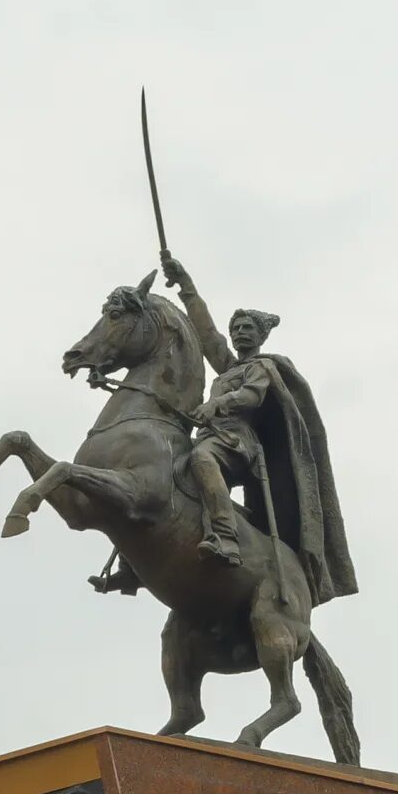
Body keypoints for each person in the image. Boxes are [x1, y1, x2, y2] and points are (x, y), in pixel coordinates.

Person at [160, 252, 358, 601]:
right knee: (163, 471)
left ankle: (224, 535)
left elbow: (250, 397)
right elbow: (206, 334)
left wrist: (216, 403)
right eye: (235, 329)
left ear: (261, 335)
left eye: (247, 328)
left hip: (240, 444)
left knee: (202, 460)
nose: (239, 333)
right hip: (212, 436)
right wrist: (186, 285)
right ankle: (136, 565)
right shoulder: (227, 365)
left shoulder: (262, 368)